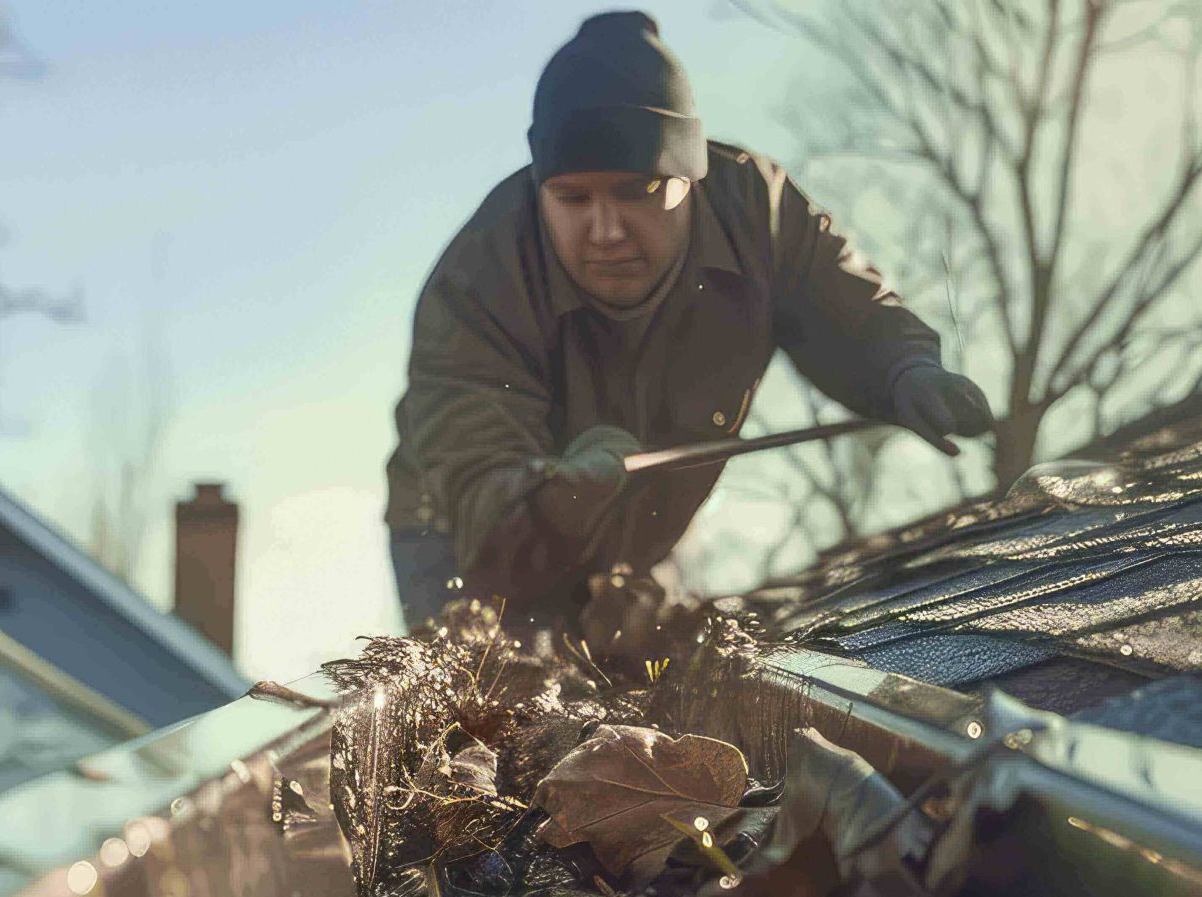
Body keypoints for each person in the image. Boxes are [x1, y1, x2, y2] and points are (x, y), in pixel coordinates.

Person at [383, 10, 992, 627]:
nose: (605, 231)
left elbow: (848, 310)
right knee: (495, 679)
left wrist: (904, 369)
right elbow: (487, 517)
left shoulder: (757, 214)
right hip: (465, 541)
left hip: (647, 530)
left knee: (653, 672)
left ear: (690, 177)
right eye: (573, 198)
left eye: (636, 191)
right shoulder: (477, 283)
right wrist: (563, 495)